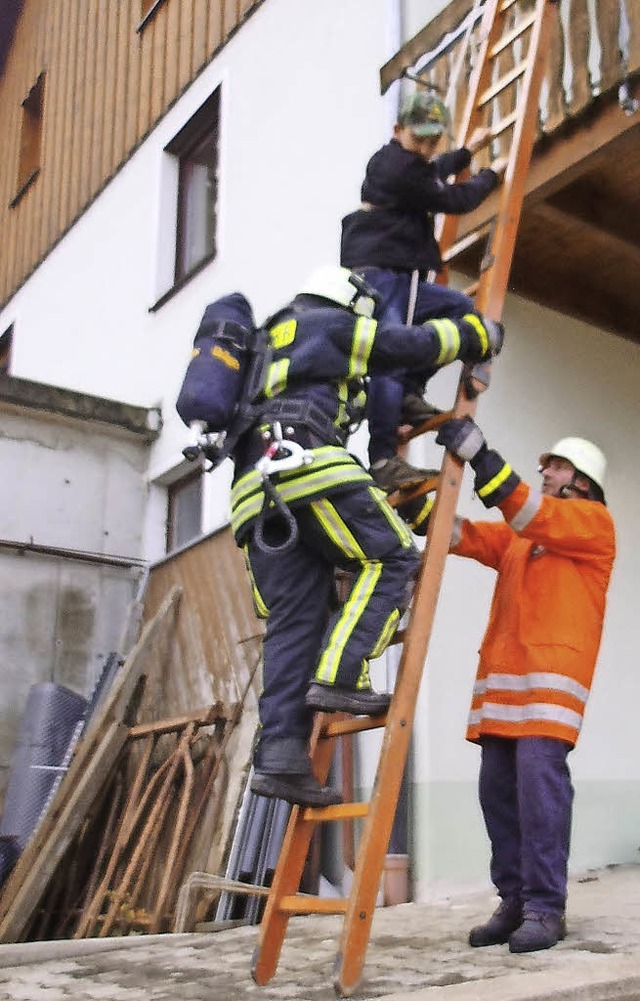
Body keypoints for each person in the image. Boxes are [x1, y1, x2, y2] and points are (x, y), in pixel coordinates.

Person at [227, 268, 504, 808]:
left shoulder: (265, 345)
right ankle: (342, 674)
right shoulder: (328, 325)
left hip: (252, 501)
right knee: (396, 557)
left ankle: (280, 757)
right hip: (307, 470)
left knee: (294, 623)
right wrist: (474, 337)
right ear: (348, 301)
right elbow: (405, 344)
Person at [403, 418, 616, 953]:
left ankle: (546, 908)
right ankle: (515, 900)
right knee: (497, 792)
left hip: (550, 690)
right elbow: (465, 535)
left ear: (582, 482)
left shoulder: (591, 523)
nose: (546, 470)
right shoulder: (526, 538)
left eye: (557, 464)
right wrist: (413, 504)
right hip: (503, 690)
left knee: (538, 790)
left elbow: (524, 508)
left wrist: (482, 455)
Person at [340, 89, 504, 492]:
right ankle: (382, 457)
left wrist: (465, 153)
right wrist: (491, 174)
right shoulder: (394, 167)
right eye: (420, 140)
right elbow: (453, 197)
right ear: (398, 131)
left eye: (433, 142)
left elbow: (430, 173)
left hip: (401, 273)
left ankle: (409, 393)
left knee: (456, 312)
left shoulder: (407, 164)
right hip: (381, 273)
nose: (427, 149)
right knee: (389, 358)